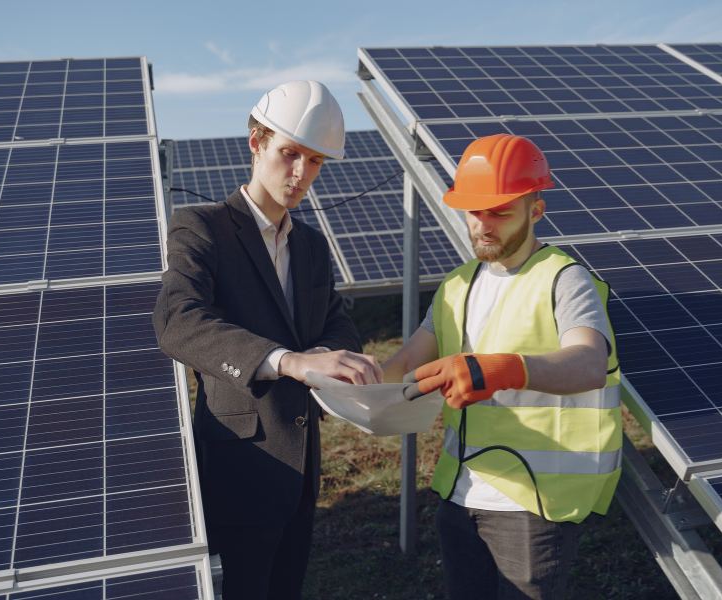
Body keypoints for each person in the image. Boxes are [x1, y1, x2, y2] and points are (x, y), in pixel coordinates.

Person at [153, 80, 381, 599]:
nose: (302, 174)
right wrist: (288, 362)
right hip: (242, 466)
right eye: (289, 153)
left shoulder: (313, 247)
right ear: (255, 142)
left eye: (316, 161)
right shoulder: (201, 227)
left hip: (302, 468)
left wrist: (322, 354)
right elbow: (178, 322)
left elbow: (338, 322)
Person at [383, 134, 622, 600]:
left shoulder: (564, 278)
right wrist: (347, 380)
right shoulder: (455, 286)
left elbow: (591, 362)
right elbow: (405, 364)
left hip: (531, 504)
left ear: (536, 209)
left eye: (500, 212)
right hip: (459, 494)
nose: (483, 225)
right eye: (475, 211)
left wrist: (502, 369)